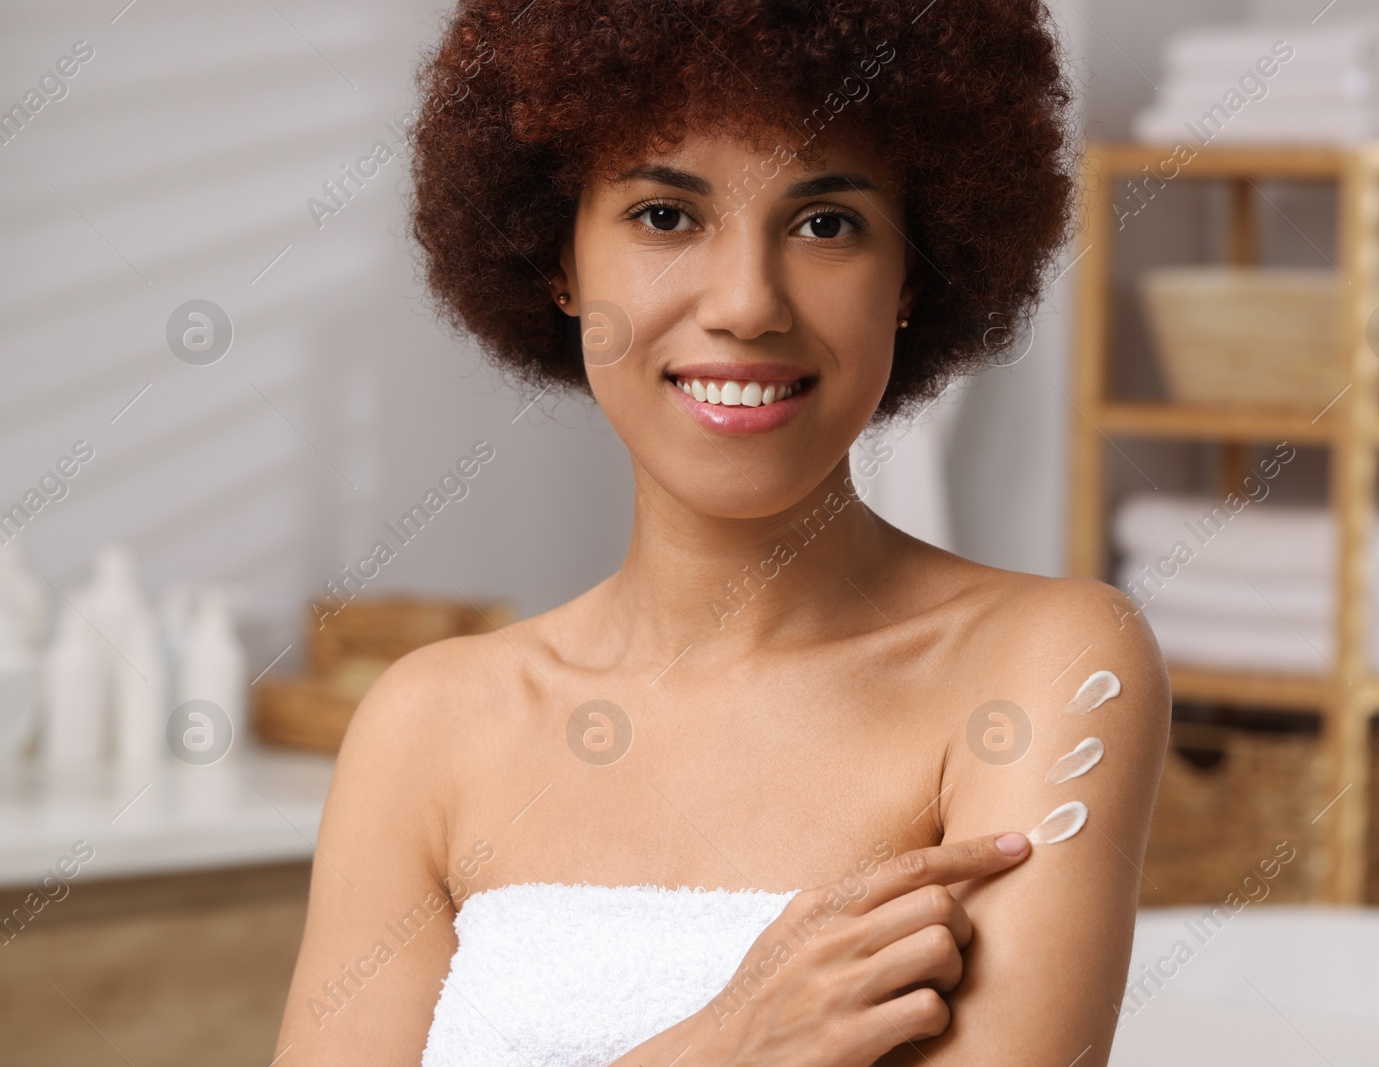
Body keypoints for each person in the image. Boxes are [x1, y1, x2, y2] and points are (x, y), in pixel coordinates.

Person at [275, 1, 1169, 1064]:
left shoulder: (1044, 665)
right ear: (561, 261)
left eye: (825, 222)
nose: (747, 303)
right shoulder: (426, 726)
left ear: (911, 277)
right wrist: (727, 1044)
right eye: (665, 216)